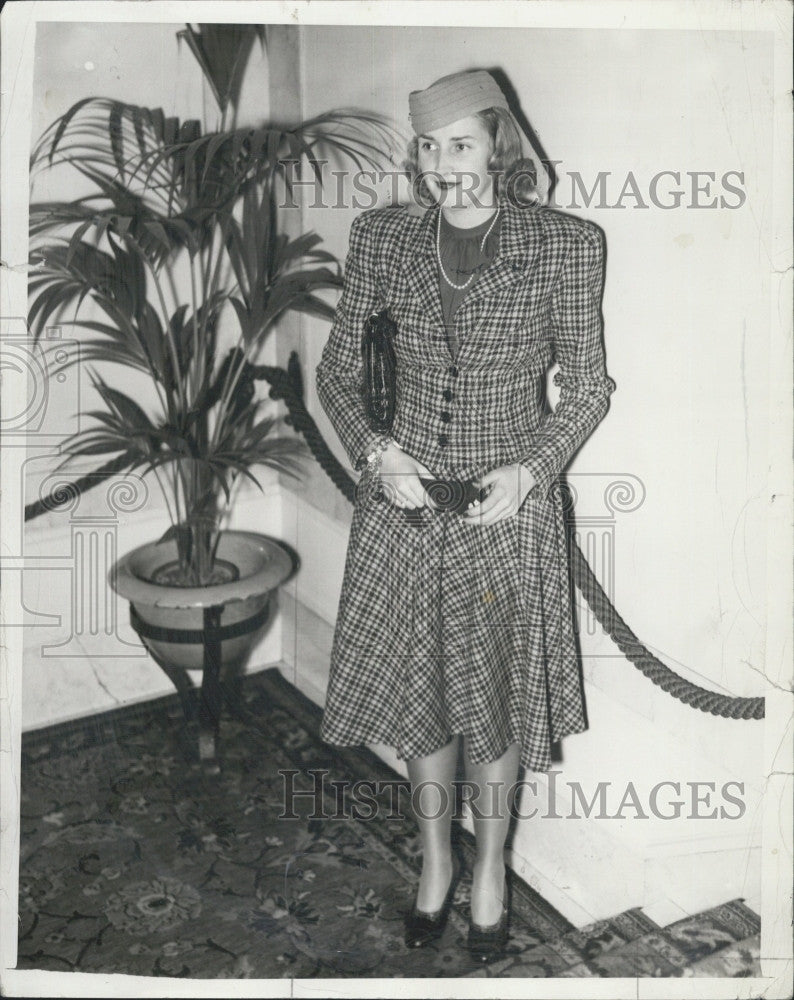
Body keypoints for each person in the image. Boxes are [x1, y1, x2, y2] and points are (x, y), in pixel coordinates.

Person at [315, 69, 616, 962]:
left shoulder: (567, 245)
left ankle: (491, 870)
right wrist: (380, 452)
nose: (444, 165)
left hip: (504, 514)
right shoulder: (381, 238)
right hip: (402, 509)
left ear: (498, 145)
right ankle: (436, 861)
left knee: (488, 703)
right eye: (429, 148)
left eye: (461, 145)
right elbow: (337, 374)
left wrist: (530, 472)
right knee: (420, 703)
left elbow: (589, 388)